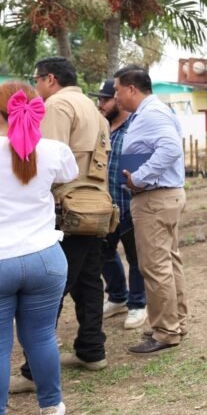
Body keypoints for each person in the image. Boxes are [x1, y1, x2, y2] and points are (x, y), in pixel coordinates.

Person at [12, 57, 111, 394]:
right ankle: (91, 350)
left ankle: (32, 372)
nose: (36, 86)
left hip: (66, 207)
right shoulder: (96, 111)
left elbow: (43, 158)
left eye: (37, 79)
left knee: (51, 290)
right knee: (89, 280)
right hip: (96, 206)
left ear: (50, 79)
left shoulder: (56, 105)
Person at [0, 81, 76, 415]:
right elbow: (69, 173)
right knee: (42, 336)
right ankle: (51, 406)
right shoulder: (54, 150)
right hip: (45, 257)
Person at [114, 65, 187, 354]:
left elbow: (171, 148)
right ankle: (175, 323)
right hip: (162, 197)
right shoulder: (151, 111)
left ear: (132, 89)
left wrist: (139, 177)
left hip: (155, 198)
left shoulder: (152, 113)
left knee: (155, 267)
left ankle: (166, 331)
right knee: (168, 263)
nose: (116, 97)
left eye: (118, 90)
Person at [93, 79, 147, 330]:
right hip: (105, 204)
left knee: (136, 258)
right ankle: (117, 296)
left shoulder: (135, 127)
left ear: (118, 100)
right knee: (103, 254)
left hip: (129, 203)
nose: (100, 104)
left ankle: (138, 304)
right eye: (100, 99)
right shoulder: (101, 127)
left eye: (105, 99)